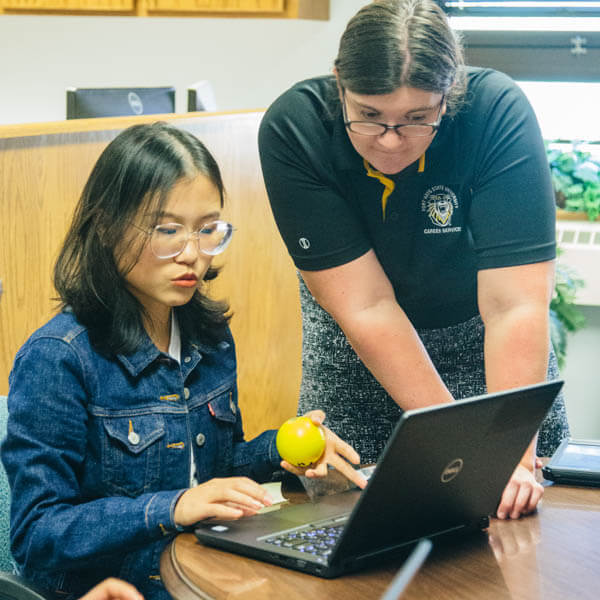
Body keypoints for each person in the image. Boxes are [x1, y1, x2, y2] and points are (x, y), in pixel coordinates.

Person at [0, 122, 366, 600]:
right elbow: (37, 535)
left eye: (207, 230)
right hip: (118, 588)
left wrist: (281, 449)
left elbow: (213, 469)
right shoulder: (60, 358)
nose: (192, 255)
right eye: (167, 231)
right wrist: (172, 507)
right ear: (107, 227)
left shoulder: (207, 336)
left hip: (207, 567)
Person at [258, 0, 569, 521]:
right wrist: (462, 453)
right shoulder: (297, 129)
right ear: (340, 84)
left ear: (448, 97)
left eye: (417, 119)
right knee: (356, 540)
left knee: (524, 539)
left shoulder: (495, 113)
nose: (390, 141)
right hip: (360, 358)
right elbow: (368, 307)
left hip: (493, 354)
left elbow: (514, 307)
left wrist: (502, 454)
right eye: (369, 116)